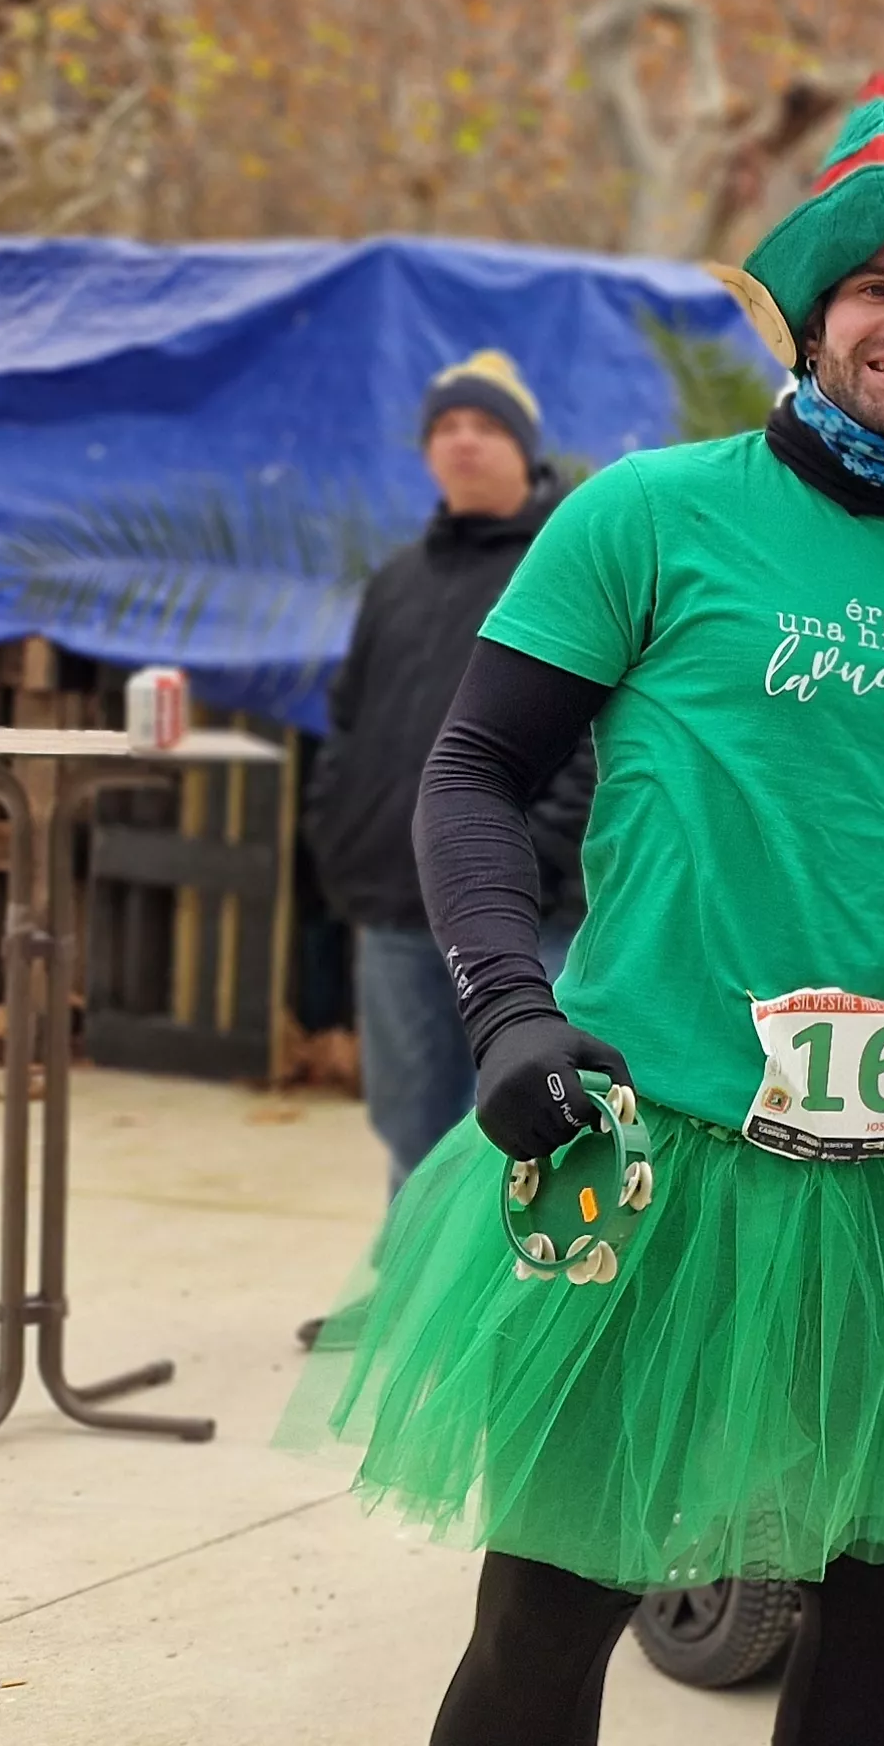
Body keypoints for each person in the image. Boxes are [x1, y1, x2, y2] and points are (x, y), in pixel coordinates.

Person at [287, 78, 884, 1746]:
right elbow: (468, 775)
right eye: (880, 286)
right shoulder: (648, 514)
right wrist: (508, 1006)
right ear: (815, 314)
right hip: (652, 1136)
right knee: (552, 1602)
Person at [307, 350, 593, 1195]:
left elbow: (600, 738)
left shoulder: (571, 560)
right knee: (411, 1128)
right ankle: (410, 1309)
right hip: (398, 906)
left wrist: (531, 853)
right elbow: (348, 724)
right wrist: (342, 838)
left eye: (486, 425)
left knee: (535, 1124)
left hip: (528, 909)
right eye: (446, 427)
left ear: (525, 446)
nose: (464, 442)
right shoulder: (395, 582)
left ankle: (523, 1316)